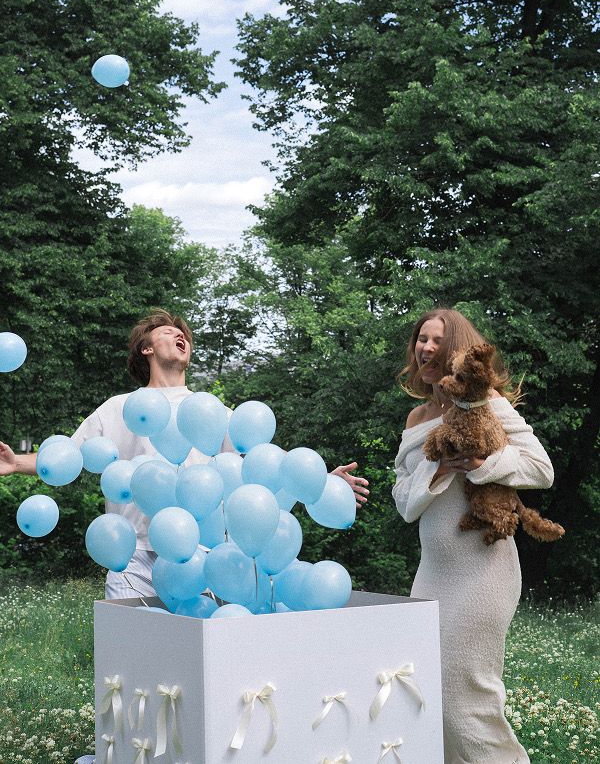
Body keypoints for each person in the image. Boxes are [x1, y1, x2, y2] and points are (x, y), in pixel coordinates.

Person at [0, 309, 369, 598]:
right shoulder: (118, 408)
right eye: (167, 332)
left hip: (200, 558)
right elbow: (67, 457)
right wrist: (16, 463)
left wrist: (319, 480)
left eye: (184, 336)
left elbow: (264, 458)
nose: (180, 336)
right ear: (146, 349)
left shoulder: (210, 410)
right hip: (132, 557)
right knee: (130, 659)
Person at [393, 308, 554, 764]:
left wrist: (483, 466)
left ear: (457, 350)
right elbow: (404, 500)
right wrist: (437, 468)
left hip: (484, 571)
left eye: (437, 340)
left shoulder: (487, 403)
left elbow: (541, 469)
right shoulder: (416, 418)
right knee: (426, 695)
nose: (426, 348)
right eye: (421, 339)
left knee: (465, 701)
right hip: (431, 574)